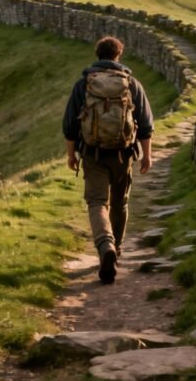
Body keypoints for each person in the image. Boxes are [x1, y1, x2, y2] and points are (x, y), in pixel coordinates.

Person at [63, 36, 153, 284]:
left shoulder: (83, 85)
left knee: (96, 203)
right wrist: (148, 155)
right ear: (118, 55)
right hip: (124, 154)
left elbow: (70, 125)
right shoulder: (132, 84)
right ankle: (118, 248)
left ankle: (106, 247)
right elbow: (145, 125)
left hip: (93, 154)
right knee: (120, 203)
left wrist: (72, 154)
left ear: (97, 55)